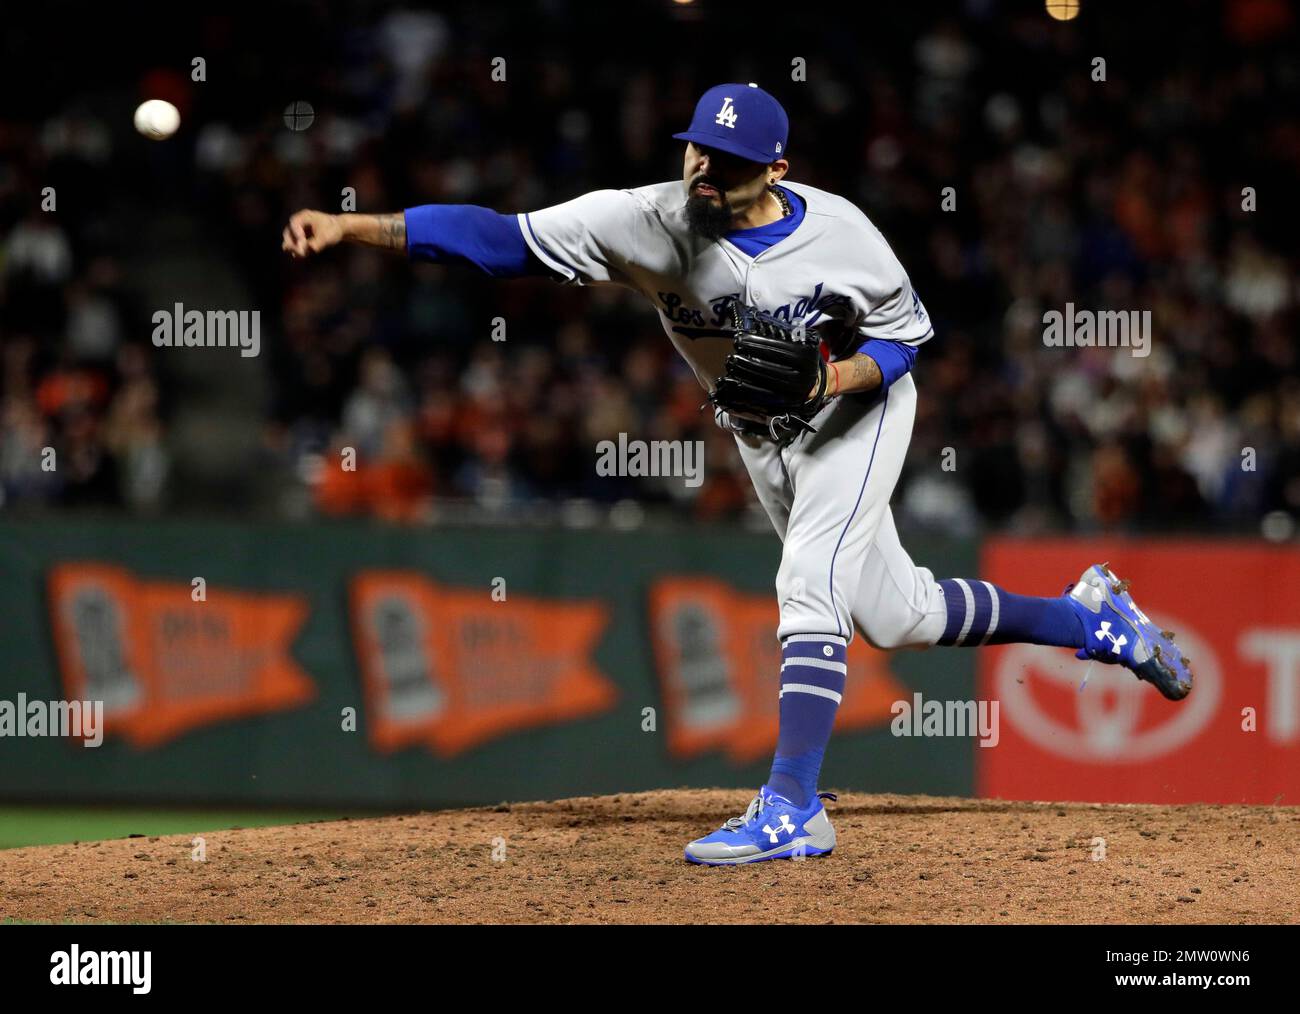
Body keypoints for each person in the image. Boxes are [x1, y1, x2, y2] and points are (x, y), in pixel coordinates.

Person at [283, 83, 1193, 866]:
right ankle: (1091, 617)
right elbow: (497, 238)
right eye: (697, 152)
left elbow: (907, 339)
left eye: (727, 160)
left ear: (778, 172)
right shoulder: (642, 222)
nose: (704, 173)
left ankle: (793, 807)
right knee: (894, 612)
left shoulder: (845, 235)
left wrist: (831, 377)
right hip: (764, 434)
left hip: (858, 411)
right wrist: (354, 226)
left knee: (807, 579)